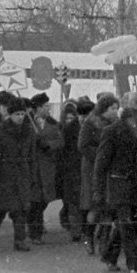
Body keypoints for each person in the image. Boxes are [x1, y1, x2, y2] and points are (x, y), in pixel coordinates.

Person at [93, 92, 137, 273]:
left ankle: (109, 256)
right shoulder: (112, 131)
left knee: (131, 223)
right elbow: (101, 164)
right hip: (118, 185)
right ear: (134, 112)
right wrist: (98, 191)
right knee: (127, 224)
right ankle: (133, 266)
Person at [0, 97, 35, 252]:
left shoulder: (28, 131)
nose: (20, 117)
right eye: (17, 114)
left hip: (22, 174)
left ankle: (19, 240)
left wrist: (31, 174)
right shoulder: (0, 131)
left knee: (21, 209)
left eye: (22, 114)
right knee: (2, 209)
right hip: (5, 175)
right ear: (10, 115)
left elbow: (32, 155)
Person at [79, 93, 119, 255]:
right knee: (94, 205)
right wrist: (102, 155)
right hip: (92, 168)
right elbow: (83, 145)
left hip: (109, 168)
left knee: (108, 206)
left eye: (116, 108)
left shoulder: (116, 123)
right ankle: (88, 236)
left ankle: (103, 241)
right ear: (104, 109)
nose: (115, 111)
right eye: (112, 108)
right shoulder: (90, 123)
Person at [27, 92, 64, 246]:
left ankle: (36, 227)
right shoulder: (28, 124)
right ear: (38, 108)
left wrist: (49, 145)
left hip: (47, 168)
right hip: (33, 168)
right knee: (35, 201)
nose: (48, 108)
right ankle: (34, 232)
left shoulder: (52, 123)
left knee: (44, 201)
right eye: (46, 106)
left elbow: (61, 141)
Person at [57, 100, 84, 242]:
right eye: (66, 117)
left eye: (71, 117)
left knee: (79, 200)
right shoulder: (65, 130)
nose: (69, 120)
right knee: (72, 201)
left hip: (81, 168)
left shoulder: (83, 127)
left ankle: (78, 227)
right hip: (70, 169)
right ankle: (75, 229)